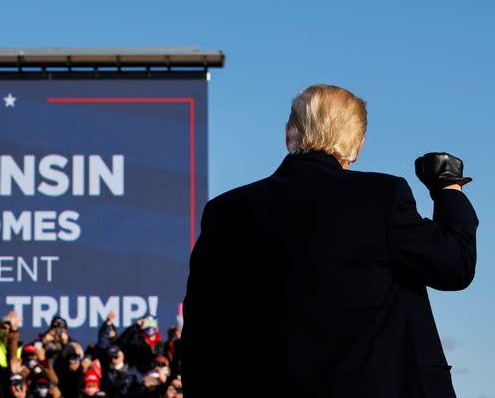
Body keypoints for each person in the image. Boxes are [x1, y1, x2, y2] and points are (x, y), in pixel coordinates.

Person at [182, 83, 479, 397]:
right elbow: (455, 265)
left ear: (288, 135)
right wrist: (448, 187)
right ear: (356, 146)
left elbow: (199, 337)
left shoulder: (224, 213)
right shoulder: (382, 199)